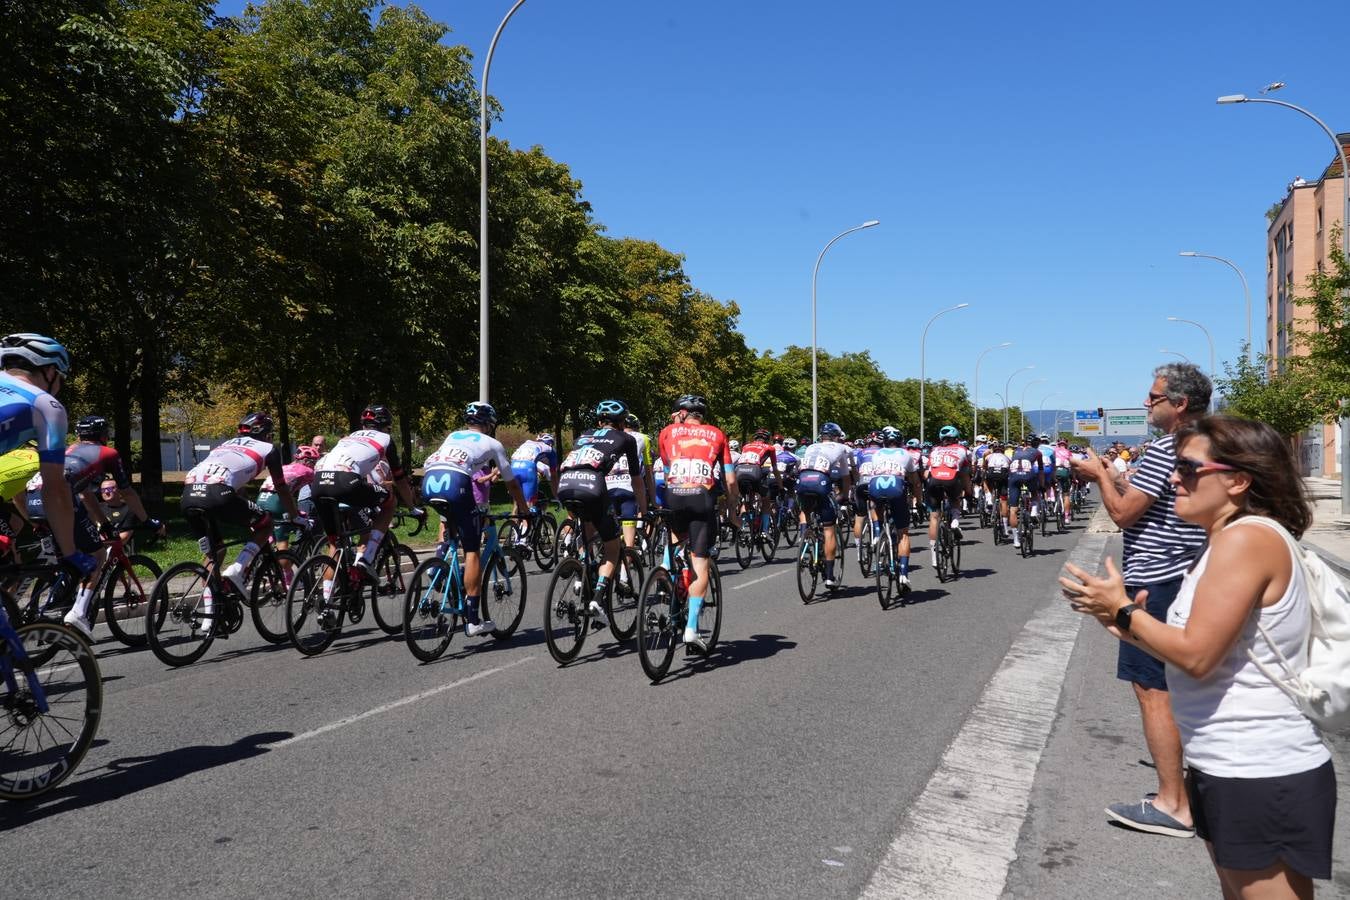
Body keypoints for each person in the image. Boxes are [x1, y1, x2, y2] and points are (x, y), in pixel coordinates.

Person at [1062, 415, 1334, 897]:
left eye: (1188, 469)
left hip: (1258, 767)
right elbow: (1215, 650)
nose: (1172, 478)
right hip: (1224, 763)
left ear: (1237, 479)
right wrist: (1122, 625)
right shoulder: (1226, 540)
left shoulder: (1246, 540)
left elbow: (1199, 656)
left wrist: (1124, 610)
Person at [1070, 362, 1209, 838]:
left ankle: (1173, 803)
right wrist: (1115, 475)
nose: (1146, 403)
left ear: (1179, 404)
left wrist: (1096, 476)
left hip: (1154, 579)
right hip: (1187, 574)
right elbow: (1151, 501)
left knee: (1153, 691)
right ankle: (1190, 789)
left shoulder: (1163, 448)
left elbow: (1123, 515)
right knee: (1179, 684)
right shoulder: (1201, 443)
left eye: (1154, 398)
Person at [420, 402, 529, 636]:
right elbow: (510, 482)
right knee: (472, 550)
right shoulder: (493, 443)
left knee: (451, 527)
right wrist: (523, 508)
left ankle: (439, 563)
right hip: (456, 482)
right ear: (490, 423)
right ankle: (472, 619)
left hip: (430, 481)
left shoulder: (453, 435)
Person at [56, 414, 163, 637]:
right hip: (62, 501)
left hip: (35, 497)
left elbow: (86, 494)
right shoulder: (108, 453)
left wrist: (103, 523)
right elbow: (126, 491)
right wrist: (147, 520)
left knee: (66, 556)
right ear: (104, 435)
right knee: (97, 556)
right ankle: (78, 612)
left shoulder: (70, 450)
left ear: (79, 435)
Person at [0, 334, 94, 580]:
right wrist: (71, 553)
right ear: (50, 371)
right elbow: (55, 489)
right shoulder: (45, 405)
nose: (60, 386)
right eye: (61, 378)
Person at [557, 400, 648, 629]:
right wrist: (645, 511)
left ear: (599, 421)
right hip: (593, 488)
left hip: (565, 485)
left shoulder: (583, 436)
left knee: (588, 533)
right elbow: (636, 480)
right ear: (622, 422)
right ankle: (597, 598)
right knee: (612, 547)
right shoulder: (626, 438)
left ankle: (581, 572)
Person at [658, 394, 735, 650]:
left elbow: (669, 467)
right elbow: (730, 480)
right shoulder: (717, 434)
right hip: (701, 497)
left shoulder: (667, 431)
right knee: (701, 564)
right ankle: (691, 628)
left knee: (676, 536)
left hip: (673, 495)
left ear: (681, 413)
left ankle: (667, 568)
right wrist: (734, 510)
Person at [312, 404, 420, 579]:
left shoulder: (348, 438)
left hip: (318, 482)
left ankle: (326, 599)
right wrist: (412, 507)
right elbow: (399, 478)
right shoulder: (385, 439)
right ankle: (367, 559)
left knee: (334, 544)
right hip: (345, 481)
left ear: (363, 425)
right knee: (390, 501)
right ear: (387, 427)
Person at [866, 426, 923, 591]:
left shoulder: (876, 453)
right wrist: (918, 502)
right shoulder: (906, 454)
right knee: (903, 533)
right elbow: (915, 482)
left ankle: (877, 533)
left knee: (874, 504)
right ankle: (904, 574)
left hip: (876, 486)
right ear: (900, 442)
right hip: (896, 488)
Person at [796, 422, 852, 589]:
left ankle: (804, 535)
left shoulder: (811, 447)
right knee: (829, 528)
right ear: (837, 436)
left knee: (804, 509)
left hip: (802, 480)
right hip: (820, 482)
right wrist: (843, 496)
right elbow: (845, 476)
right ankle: (829, 576)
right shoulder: (841, 448)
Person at [924, 425, 972, 568]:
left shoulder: (934, 450)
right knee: (954, 499)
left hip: (933, 482)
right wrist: (968, 492)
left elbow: (927, 473)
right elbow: (965, 476)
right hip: (951, 481)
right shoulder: (963, 450)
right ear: (956, 439)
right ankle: (955, 521)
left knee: (934, 517)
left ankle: (934, 557)